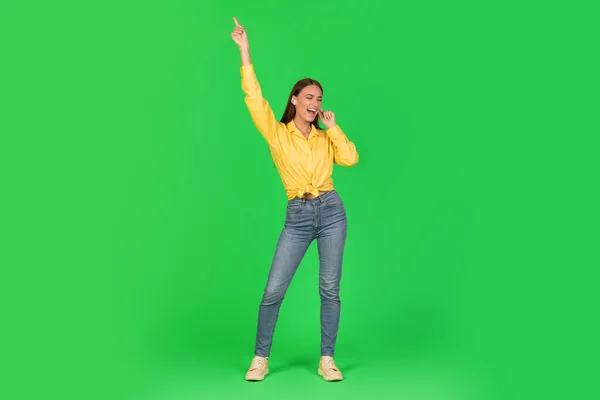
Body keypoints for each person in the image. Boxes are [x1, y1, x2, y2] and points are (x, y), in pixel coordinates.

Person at [231, 16, 359, 382]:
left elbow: (350, 158)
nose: (315, 104)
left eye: (319, 99)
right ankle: (260, 358)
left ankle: (327, 359)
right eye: (309, 98)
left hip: (332, 211)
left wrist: (333, 127)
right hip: (298, 215)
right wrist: (245, 51)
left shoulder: (323, 137)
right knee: (273, 290)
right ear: (295, 99)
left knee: (330, 288)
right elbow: (254, 99)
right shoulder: (278, 135)